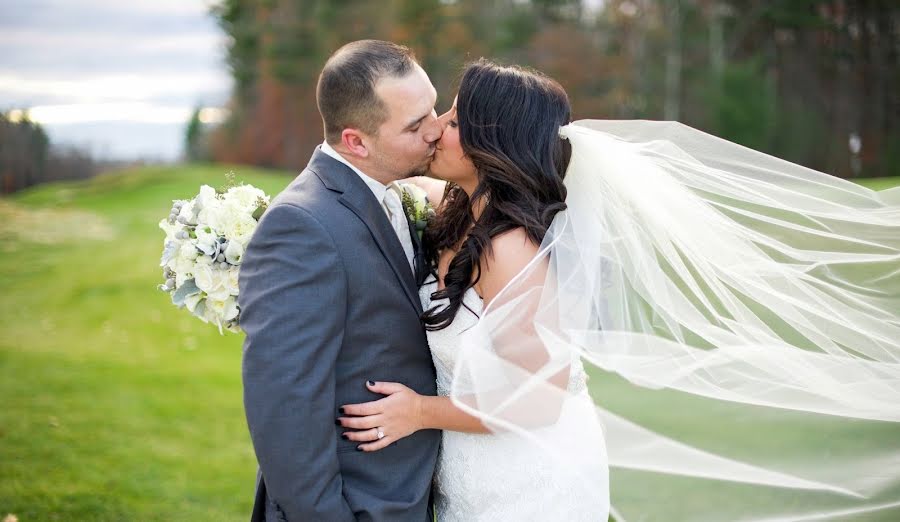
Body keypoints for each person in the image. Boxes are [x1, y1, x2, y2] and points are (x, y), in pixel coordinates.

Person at [339, 59, 900, 521]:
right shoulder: (449, 207)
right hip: (468, 465)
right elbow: (359, 189)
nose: (436, 127)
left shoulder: (509, 250)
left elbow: (537, 400)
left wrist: (419, 412)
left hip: (527, 480)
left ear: (493, 143)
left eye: (456, 121)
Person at [238, 40, 442, 522]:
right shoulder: (302, 225)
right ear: (356, 142)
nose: (437, 129)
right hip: (358, 503)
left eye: (433, 107)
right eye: (416, 125)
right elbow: (285, 407)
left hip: (406, 493)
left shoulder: (392, 193)